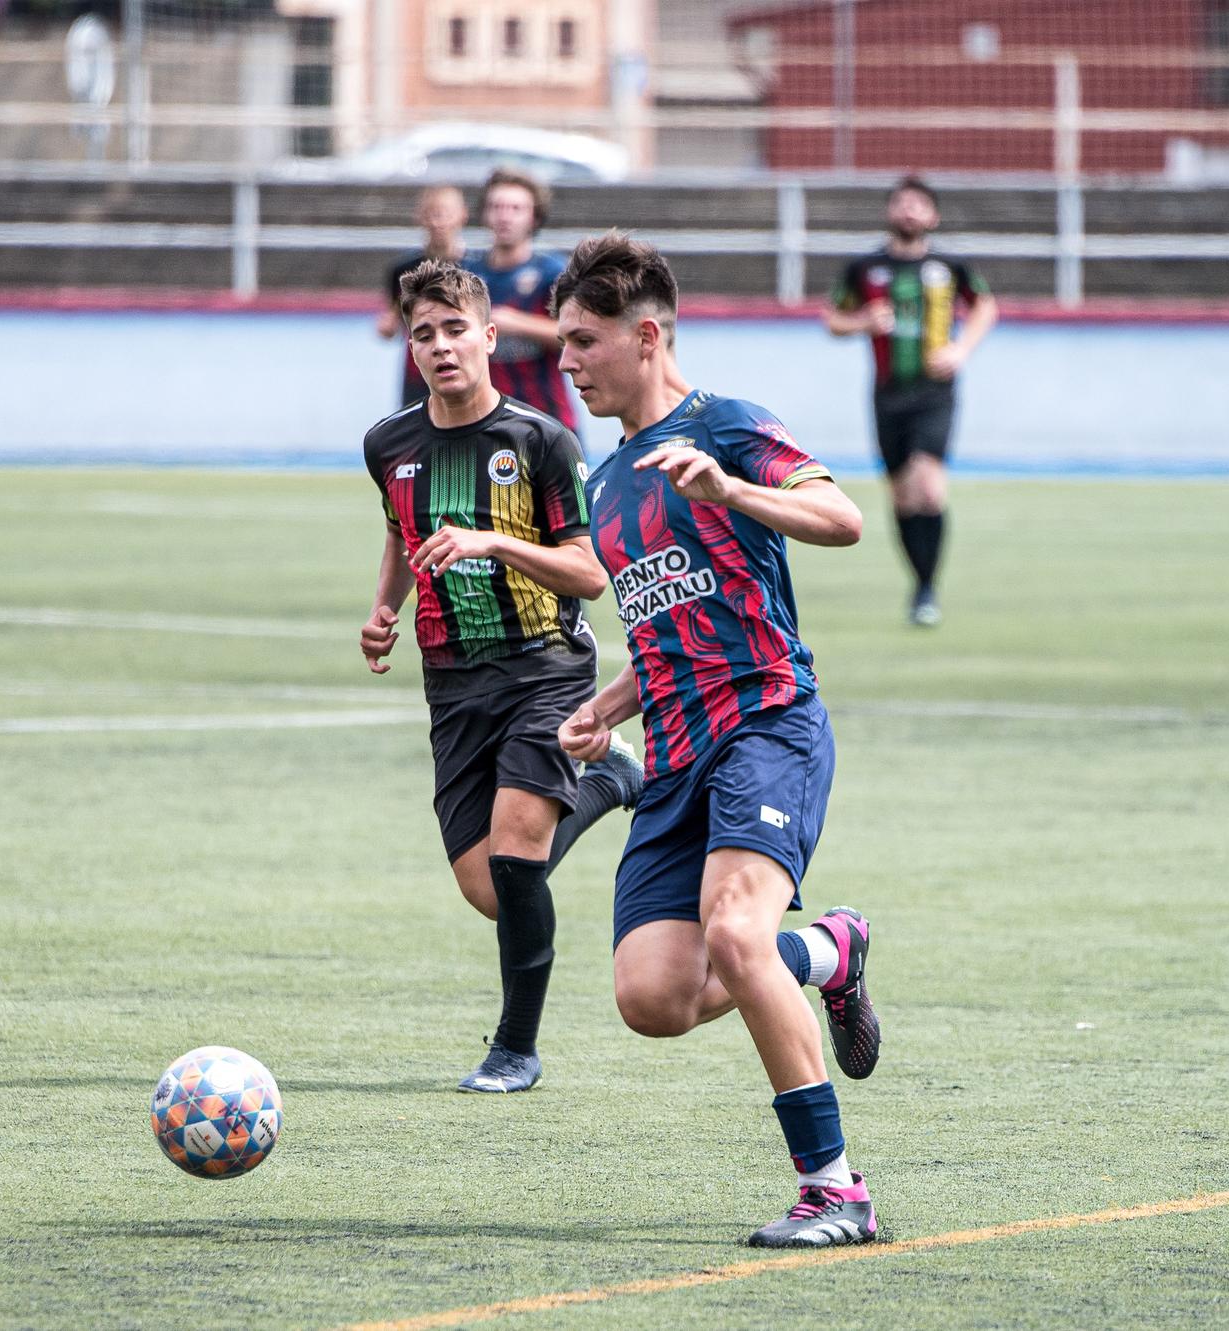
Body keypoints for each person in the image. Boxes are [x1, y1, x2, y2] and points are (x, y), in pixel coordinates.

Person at [551, 232, 884, 1248]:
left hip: (767, 724)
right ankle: (827, 951)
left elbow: (841, 516)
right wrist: (609, 709)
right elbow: (663, 628)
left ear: (644, 334)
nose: (566, 361)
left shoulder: (726, 426)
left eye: (582, 341)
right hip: (676, 756)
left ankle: (834, 1190)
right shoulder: (606, 485)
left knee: (732, 935)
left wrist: (731, 491)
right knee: (651, 997)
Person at [360, 258, 643, 1095]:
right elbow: (399, 530)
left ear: (490, 336)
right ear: (411, 347)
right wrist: (384, 609)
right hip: (452, 682)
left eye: (456, 330)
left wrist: (491, 542)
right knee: (490, 888)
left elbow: (589, 573)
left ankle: (515, 1049)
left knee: (519, 855)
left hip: (544, 671)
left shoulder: (540, 440)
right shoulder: (389, 443)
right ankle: (616, 778)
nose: (441, 346)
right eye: (424, 334)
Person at [826, 175, 998, 628]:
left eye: (918, 204)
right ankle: (920, 584)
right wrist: (862, 321)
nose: (909, 211)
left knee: (929, 485)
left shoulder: (950, 266)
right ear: (890, 212)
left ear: (932, 216)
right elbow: (833, 320)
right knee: (903, 496)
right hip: (887, 395)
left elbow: (985, 306)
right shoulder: (864, 269)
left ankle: (928, 587)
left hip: (934, 394)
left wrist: (961, 351)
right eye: (902, 203)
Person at [462, 169, 577, 431]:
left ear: (534, 216)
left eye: (515, 208)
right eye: (496, 207)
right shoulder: (467, 275)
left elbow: (575, 335)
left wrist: (515, 323)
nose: (505, 216)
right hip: (486, 419)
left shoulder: (554, 272)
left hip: (548, 416)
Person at [378, 185, 469, 407]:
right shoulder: (403, 270)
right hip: (419, 372)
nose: (439, 222)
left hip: (464, 368)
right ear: (420, 217)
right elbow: (392, 321)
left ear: (462, 216)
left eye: (446, 214)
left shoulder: (474, 268)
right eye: (432, 214)